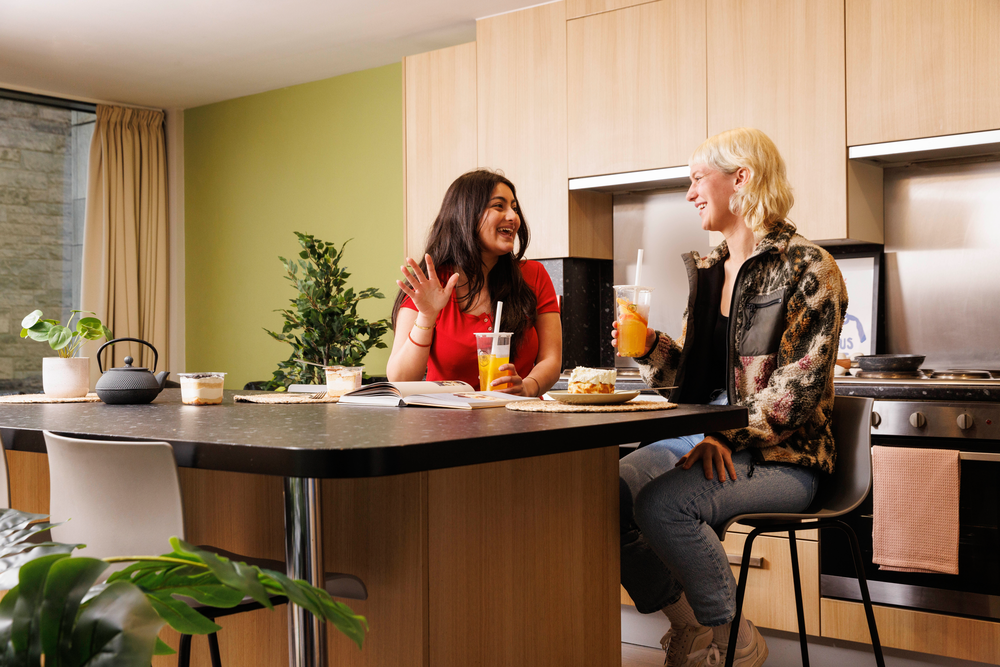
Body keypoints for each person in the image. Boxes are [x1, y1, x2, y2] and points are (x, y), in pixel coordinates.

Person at [615, 128, 848, 667]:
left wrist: (727, 434)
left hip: (786, 456)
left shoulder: (809, 268)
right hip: (707, 438)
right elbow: (695, 382)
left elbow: (797, 389)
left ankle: (731, 643)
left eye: (698, 179)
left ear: (741, 178)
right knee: (607, 493)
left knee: (662, 504)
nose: (690, 193)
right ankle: (693, 625)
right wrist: (649, 347)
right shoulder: (711, 271)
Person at [387, 169, 562, 396]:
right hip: (445, 417)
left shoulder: (533, 275)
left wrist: (528, 387)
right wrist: (427, 316)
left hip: (518, 415)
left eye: (514, 207)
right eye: (499, 206)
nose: (513, 217)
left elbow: (551, 359)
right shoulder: (429, 284)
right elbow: (401, 379)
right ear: (466, 215)